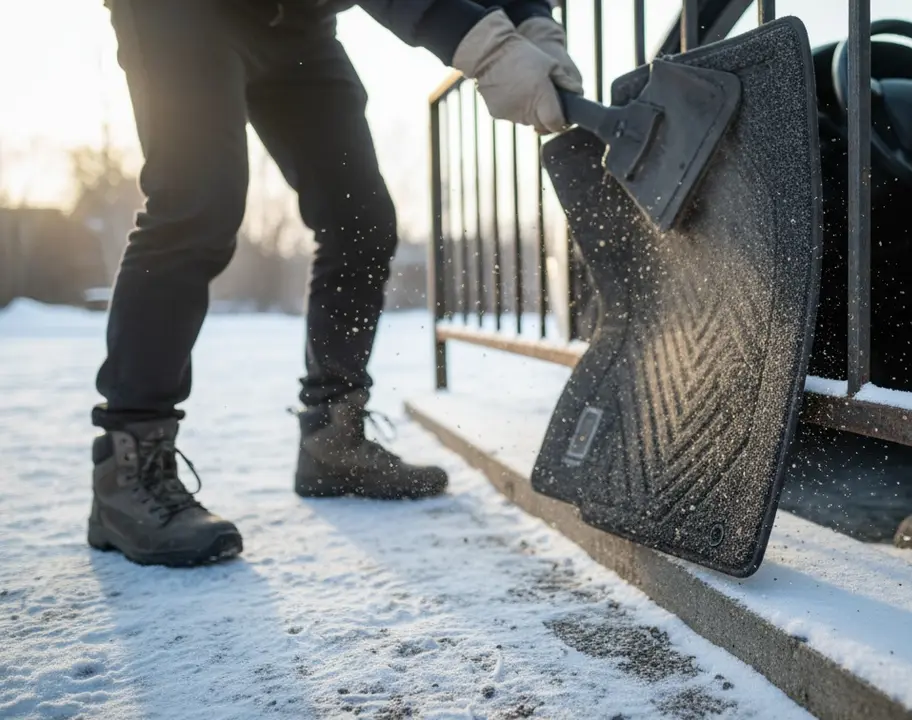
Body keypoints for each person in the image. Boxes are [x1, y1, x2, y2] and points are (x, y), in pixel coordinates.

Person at [89, 0, 584, 568]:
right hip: (181, 14)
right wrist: (488, 48)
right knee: (196, 207)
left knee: (361, 222)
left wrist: (534, 24)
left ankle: (333, 438)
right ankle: (128, 469)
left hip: (297, 24)